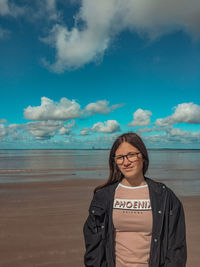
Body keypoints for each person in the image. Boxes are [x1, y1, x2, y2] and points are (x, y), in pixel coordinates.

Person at [83, 132, 187, 267]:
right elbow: (93, 244)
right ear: (115, 162)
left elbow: (176, 248)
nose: (126, 162)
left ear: (142, 157)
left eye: (131, 155)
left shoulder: (165, 196)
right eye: (120, 157)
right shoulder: (103, 196)